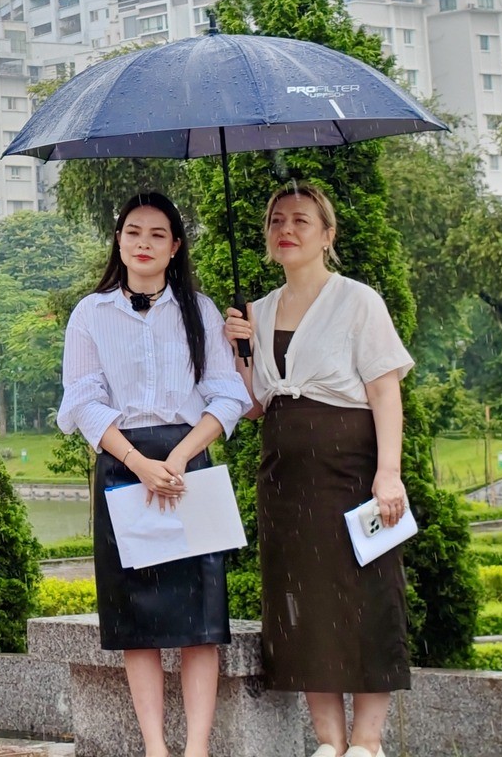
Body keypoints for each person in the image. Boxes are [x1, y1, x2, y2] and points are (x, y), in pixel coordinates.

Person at [224, 181, 412, 757]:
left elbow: (384, 392)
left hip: (353, 468)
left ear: (327, 236)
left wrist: (389, 473)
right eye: (277, 219)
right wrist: (238, 352)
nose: (287, 229)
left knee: (369, 595)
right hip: (284, 476)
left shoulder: (359, 300)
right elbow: (254, 406)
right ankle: (329, 742)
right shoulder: (256, 311)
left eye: (302, 220)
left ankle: (368, 741)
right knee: (303, 601)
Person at [58, 192, 249, 757]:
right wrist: (141, 465)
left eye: (157, 234)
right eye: (133, 232)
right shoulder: (90, 314)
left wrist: (181, 456)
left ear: (175, 247)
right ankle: (155, 749)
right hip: (123, 464)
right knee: (134, 616)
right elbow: (84, 401)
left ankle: (197, 749)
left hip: (190, 461)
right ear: (118, 241)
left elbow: (228, 393)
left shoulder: (203, 310)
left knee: (201, 616)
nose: (143, 243)